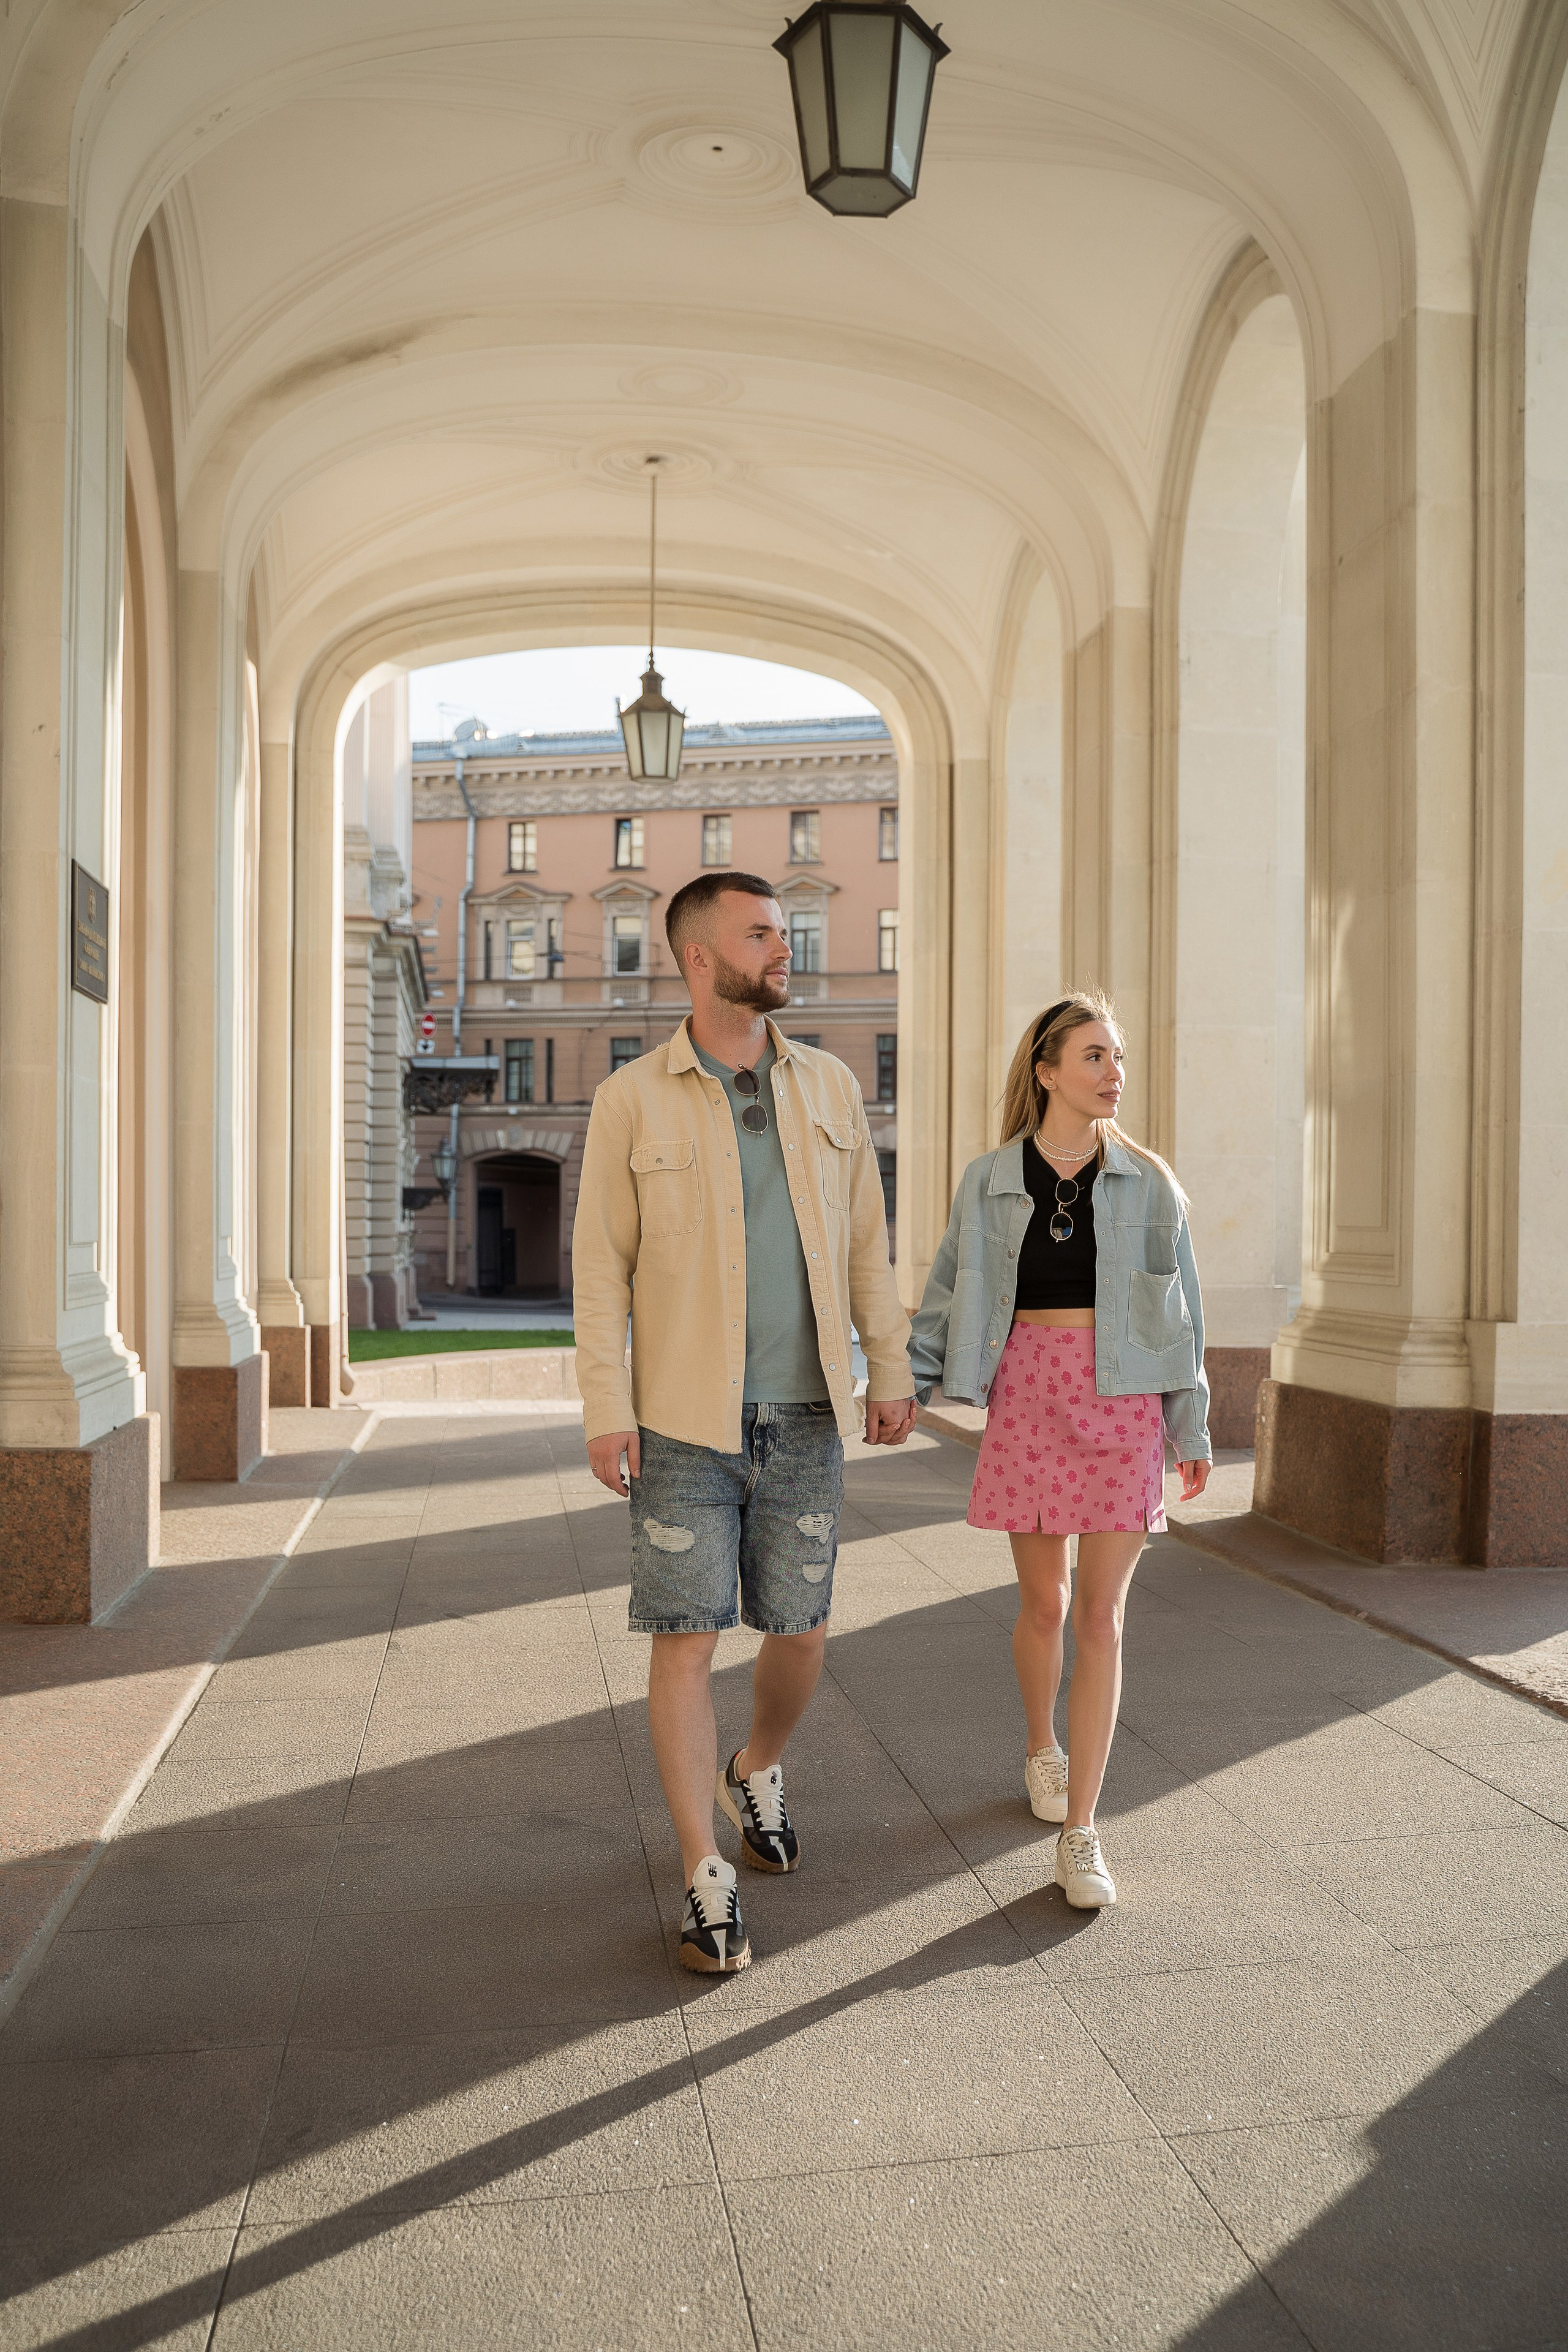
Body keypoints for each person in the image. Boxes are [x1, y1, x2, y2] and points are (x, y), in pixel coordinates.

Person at [573, 870, 916, 1972]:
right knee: (685, 1639)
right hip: (682, 1422)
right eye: (760, 932)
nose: (783, 947)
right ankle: (702, 1872)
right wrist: (606, 1408)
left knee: (801, 1629)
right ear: (698, 957)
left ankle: (756, 1763)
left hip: (807, 1411)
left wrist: (888, 1364)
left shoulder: (829, 1087)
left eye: (782, 930)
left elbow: (866, 1243)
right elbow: (600, 1271)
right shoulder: (632, 1098)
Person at [909, 990, 1211, 1909]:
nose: (1114, 1072)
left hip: (1125, 1402)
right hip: (1030, 1392)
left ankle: (1082, 1830)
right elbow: (947, 1286)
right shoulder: (990, 1179)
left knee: (1102, 1618)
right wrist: (907, 1384)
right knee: (1046, 1605)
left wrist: (1191, 1426)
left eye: (1118, 1057)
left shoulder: (1151, 1183)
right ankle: (1042, 1747)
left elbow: (1185, 1314)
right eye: (1094, 1056)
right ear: (1046, 1072)